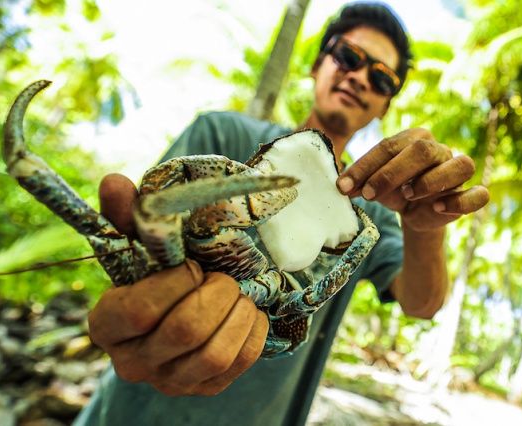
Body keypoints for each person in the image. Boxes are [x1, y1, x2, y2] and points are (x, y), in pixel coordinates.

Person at [74, 2, 489, 425]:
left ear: (385, 106)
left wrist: (425, 226)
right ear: (317, 64)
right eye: (349, 56)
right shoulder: (222, 134)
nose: (360, 77)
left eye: (382, 78)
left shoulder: (373, 213)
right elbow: (145, 219)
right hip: (129, 409)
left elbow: (422, 304)